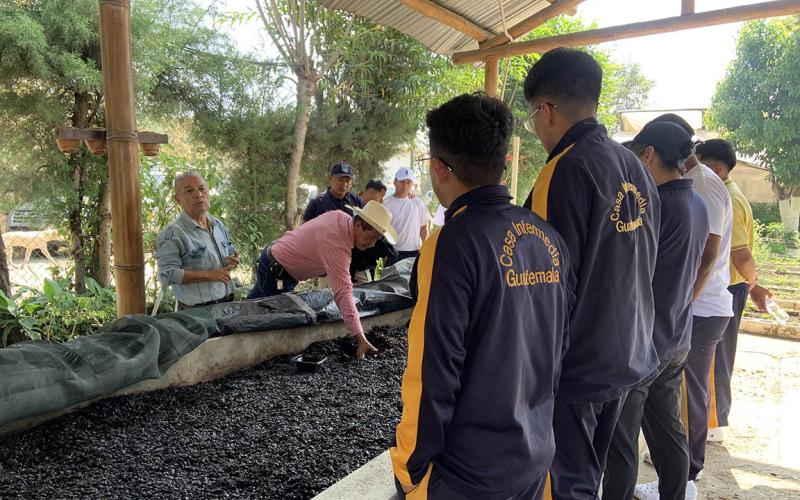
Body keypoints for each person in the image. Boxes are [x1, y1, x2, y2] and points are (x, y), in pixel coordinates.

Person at [390, 92, 572, 500]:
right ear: (503, 161)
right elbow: (559, 346)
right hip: (535, 455)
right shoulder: (547, 237)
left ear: (439, 168)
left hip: (467, 475)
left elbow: (431, 370)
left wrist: (409, 469)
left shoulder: (450, 243)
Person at [521, 47, 660, 499]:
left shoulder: (562, 171)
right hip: (627, 351)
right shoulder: (636, 168)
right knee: (589, 476)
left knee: (563, 483)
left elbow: (544, 285)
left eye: (533, 117)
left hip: (576, 366)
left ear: (545, 110)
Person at [604, 122, 709, 500]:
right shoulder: (697, 204)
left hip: (643, 342)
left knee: (621, 439)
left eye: (636, 155)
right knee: (668, 430)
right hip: (676, 336)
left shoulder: (655, 206)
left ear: (648, 155)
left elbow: (629, 273)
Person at [635, 113, 734, 498]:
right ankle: (676, 489)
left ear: (649, 154)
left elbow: (704, 258)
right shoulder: (693, 197)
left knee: (627, 432)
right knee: (667, 423)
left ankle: (679, 485)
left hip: (661, 328)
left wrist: (682, 303)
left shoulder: (667, 201)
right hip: (676, 327)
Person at [247, 201, 396, 360]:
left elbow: (314, 239)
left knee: (249, 307)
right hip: (275, 271)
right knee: (263, 320)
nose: (372, 245)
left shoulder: (341, 217)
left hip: (279, 263)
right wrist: (360, 337)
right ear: (358, 225)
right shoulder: (337, 243)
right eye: (370, 238)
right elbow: (343, 294)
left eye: (376, 240)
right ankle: (250, 355)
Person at [696, 139, 772, 442]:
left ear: (716, 168)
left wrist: (752, 285)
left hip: (727, 286)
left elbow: (740, 255)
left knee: (714, 361)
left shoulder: (725, 195)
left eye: (698, 164)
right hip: (730, 285)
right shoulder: (729, 192)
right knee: (717, 357)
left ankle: (712, 424)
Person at [156, 172, 239, 309]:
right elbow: (167, 274)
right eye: (189, 191)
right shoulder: (172, 234)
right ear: (178, 199)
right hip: (196, 312)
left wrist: (234, 260)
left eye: (202, 189)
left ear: (208, 193)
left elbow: (230, 251)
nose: (198, 194)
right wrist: (209, 275)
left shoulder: (218, 225)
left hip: (227, 303)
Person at [383, 168, 431, 264]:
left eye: (408, 182)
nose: (405, 186)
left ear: (412, 184)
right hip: (392, 253)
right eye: (401, 182)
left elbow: (424, 227)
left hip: (414, 253)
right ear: (395, 182)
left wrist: (426, 249)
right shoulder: (386, 204)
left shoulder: (418, 203)